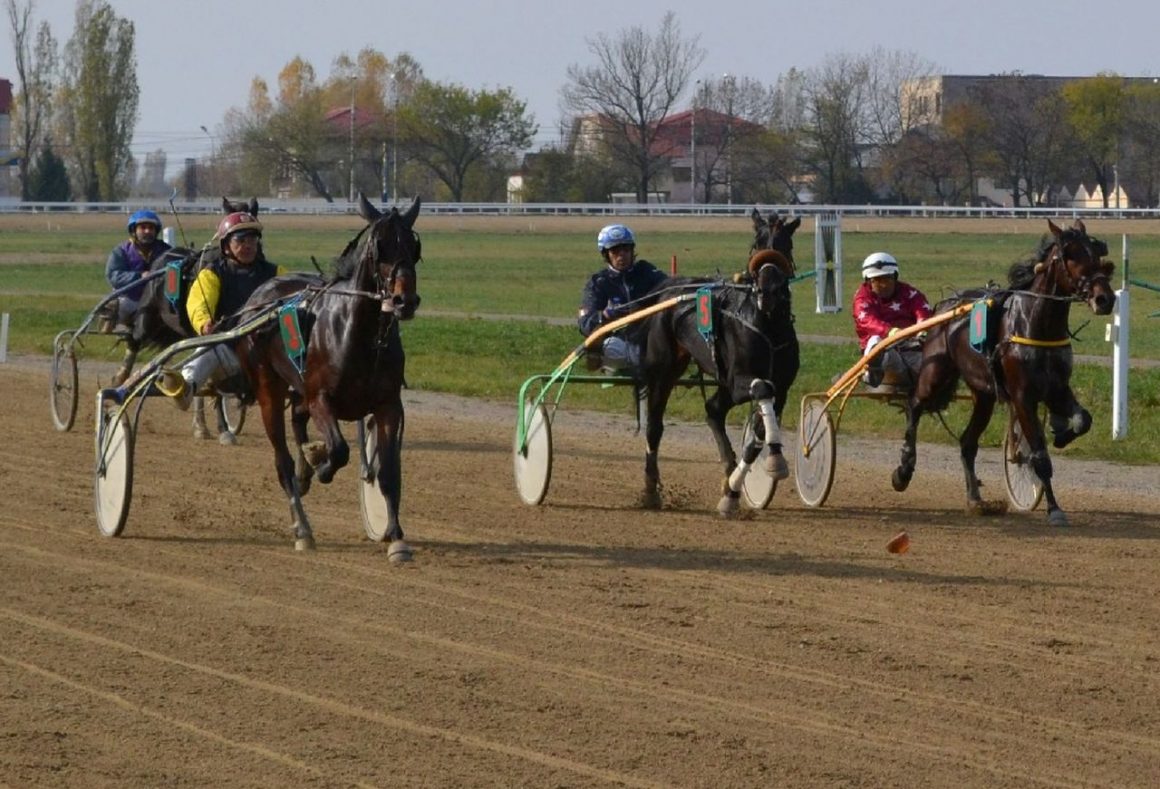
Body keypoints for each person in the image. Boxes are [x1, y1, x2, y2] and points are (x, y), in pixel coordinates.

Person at [157, 211, 286, 409]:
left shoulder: (276, 273)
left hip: (270, 355)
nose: (248, 245)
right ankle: (186, 389)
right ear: (226, 245)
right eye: (241, 240)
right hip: (231, 357)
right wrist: (204, 323)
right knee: (209, 347)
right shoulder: (212, 273)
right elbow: (198, 303)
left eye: (253, 239)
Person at [577, 224, 668, 373]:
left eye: (626, 249)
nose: (622, 255)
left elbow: (669, 288)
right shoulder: (598, 283)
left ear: (632, 250)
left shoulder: (647, 271)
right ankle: (646, 368)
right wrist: (605, 315)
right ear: (606, 254)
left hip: (651, 337)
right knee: (610, 346)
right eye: (615, 251)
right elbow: (585, 323)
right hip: (620, 342)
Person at [853, 252, 932, 388]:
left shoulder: (910, 293)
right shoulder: (862, 299)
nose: (883, 285)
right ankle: (871, 372)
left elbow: (922, 310)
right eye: (877, 280)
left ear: (895, 277)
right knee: (875, 341)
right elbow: (867, 320)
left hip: (911, 346)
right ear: (868, 281)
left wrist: (922, 329)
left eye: (887, 279)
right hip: (883, 347)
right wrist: (890, 332)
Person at [101, 209, 172, 332]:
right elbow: (113, 275)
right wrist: (139, 276)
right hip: (129, 299)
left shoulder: (166, 251)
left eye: (151, 228)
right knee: (112, 304)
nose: (147, 231)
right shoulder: (121, 251)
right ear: (134, 230)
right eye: (143, 228)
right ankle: (115, 324)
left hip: (156, 301)